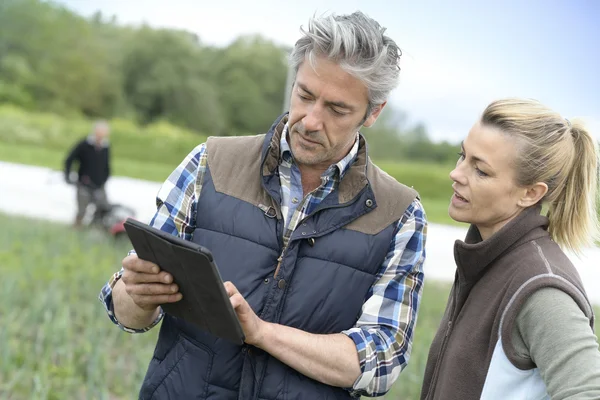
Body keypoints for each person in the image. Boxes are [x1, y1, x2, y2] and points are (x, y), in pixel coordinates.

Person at [98, 11, 427, 399]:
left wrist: (262, 333)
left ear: (374, 112)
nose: (310, 121)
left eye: (337, 109)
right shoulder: (210, 162)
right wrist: (134, 293)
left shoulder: (400, 214)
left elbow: (380, 362)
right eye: (304, 95)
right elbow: (126, 312)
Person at [420, 98, 600, 400]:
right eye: (461, 156)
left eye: (481, 171)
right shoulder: (485, 257)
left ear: (530, 193)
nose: (457, 174)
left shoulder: (540, 288)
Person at [64, 120, 111, 227]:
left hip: (99, 184)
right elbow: (69, 159)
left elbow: (107, 165)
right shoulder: (84, 144)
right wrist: (67, 175)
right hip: (84, 183)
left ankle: (94, 227)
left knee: (103, 207)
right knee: (82, 210)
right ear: (95, 131)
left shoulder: (106, 146)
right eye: (99, 132)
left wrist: (106, 178)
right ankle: (77, 227)